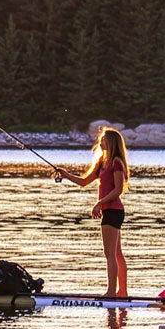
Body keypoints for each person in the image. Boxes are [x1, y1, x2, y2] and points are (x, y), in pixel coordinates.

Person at [58, 127, 130, 297]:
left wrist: (99, 203)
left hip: (113, 210)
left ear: (111, 142)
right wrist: (66, 174)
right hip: (110, 210)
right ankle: (122, 292)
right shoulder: (101, 163)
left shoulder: (116, 162)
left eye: (104, 138)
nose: (100, 141)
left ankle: (113, 292)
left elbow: (118, 189)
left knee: (110, 254)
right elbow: (84, 182)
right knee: (116, 253)